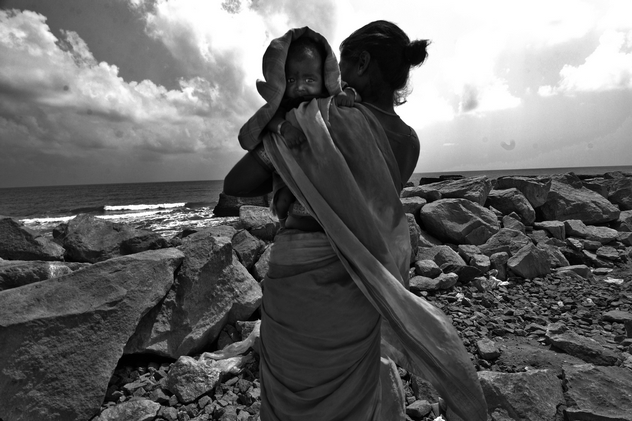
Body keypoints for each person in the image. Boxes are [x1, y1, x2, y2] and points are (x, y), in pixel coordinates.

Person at [223, 22, 487, 421]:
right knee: (351, 399)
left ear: (361, 63)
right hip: (361, 287)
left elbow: (235, 183)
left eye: (342, 66)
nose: (337, 78)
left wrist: (283, 125)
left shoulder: (325, 120)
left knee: (290, 395)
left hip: (299, 281)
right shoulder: (409, 141)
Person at [261, 35, 359, 225]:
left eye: (309, 79)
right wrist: (285, 128)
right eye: (291, 79)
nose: (300, 87)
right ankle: (282, 224)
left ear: (323, 79)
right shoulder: (286, 102)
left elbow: (350, 91)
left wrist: (349, 94)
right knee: (282, 200)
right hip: (289, 162)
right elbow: (269, 119)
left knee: (325, 194)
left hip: (320, 161)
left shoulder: (328, 93)